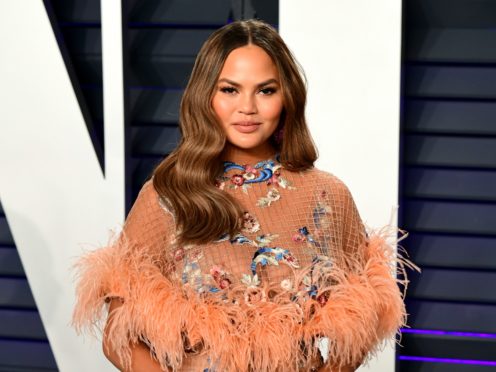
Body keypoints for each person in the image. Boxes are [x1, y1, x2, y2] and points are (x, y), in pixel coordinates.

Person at [72, 19, 412, 372]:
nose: (247, 107)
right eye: (230, 90)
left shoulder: (327, 195)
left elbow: (363, 319)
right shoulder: (168, 196)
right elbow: (118, 336)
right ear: (206, 95)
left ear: (287, 96)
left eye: (265, 90)